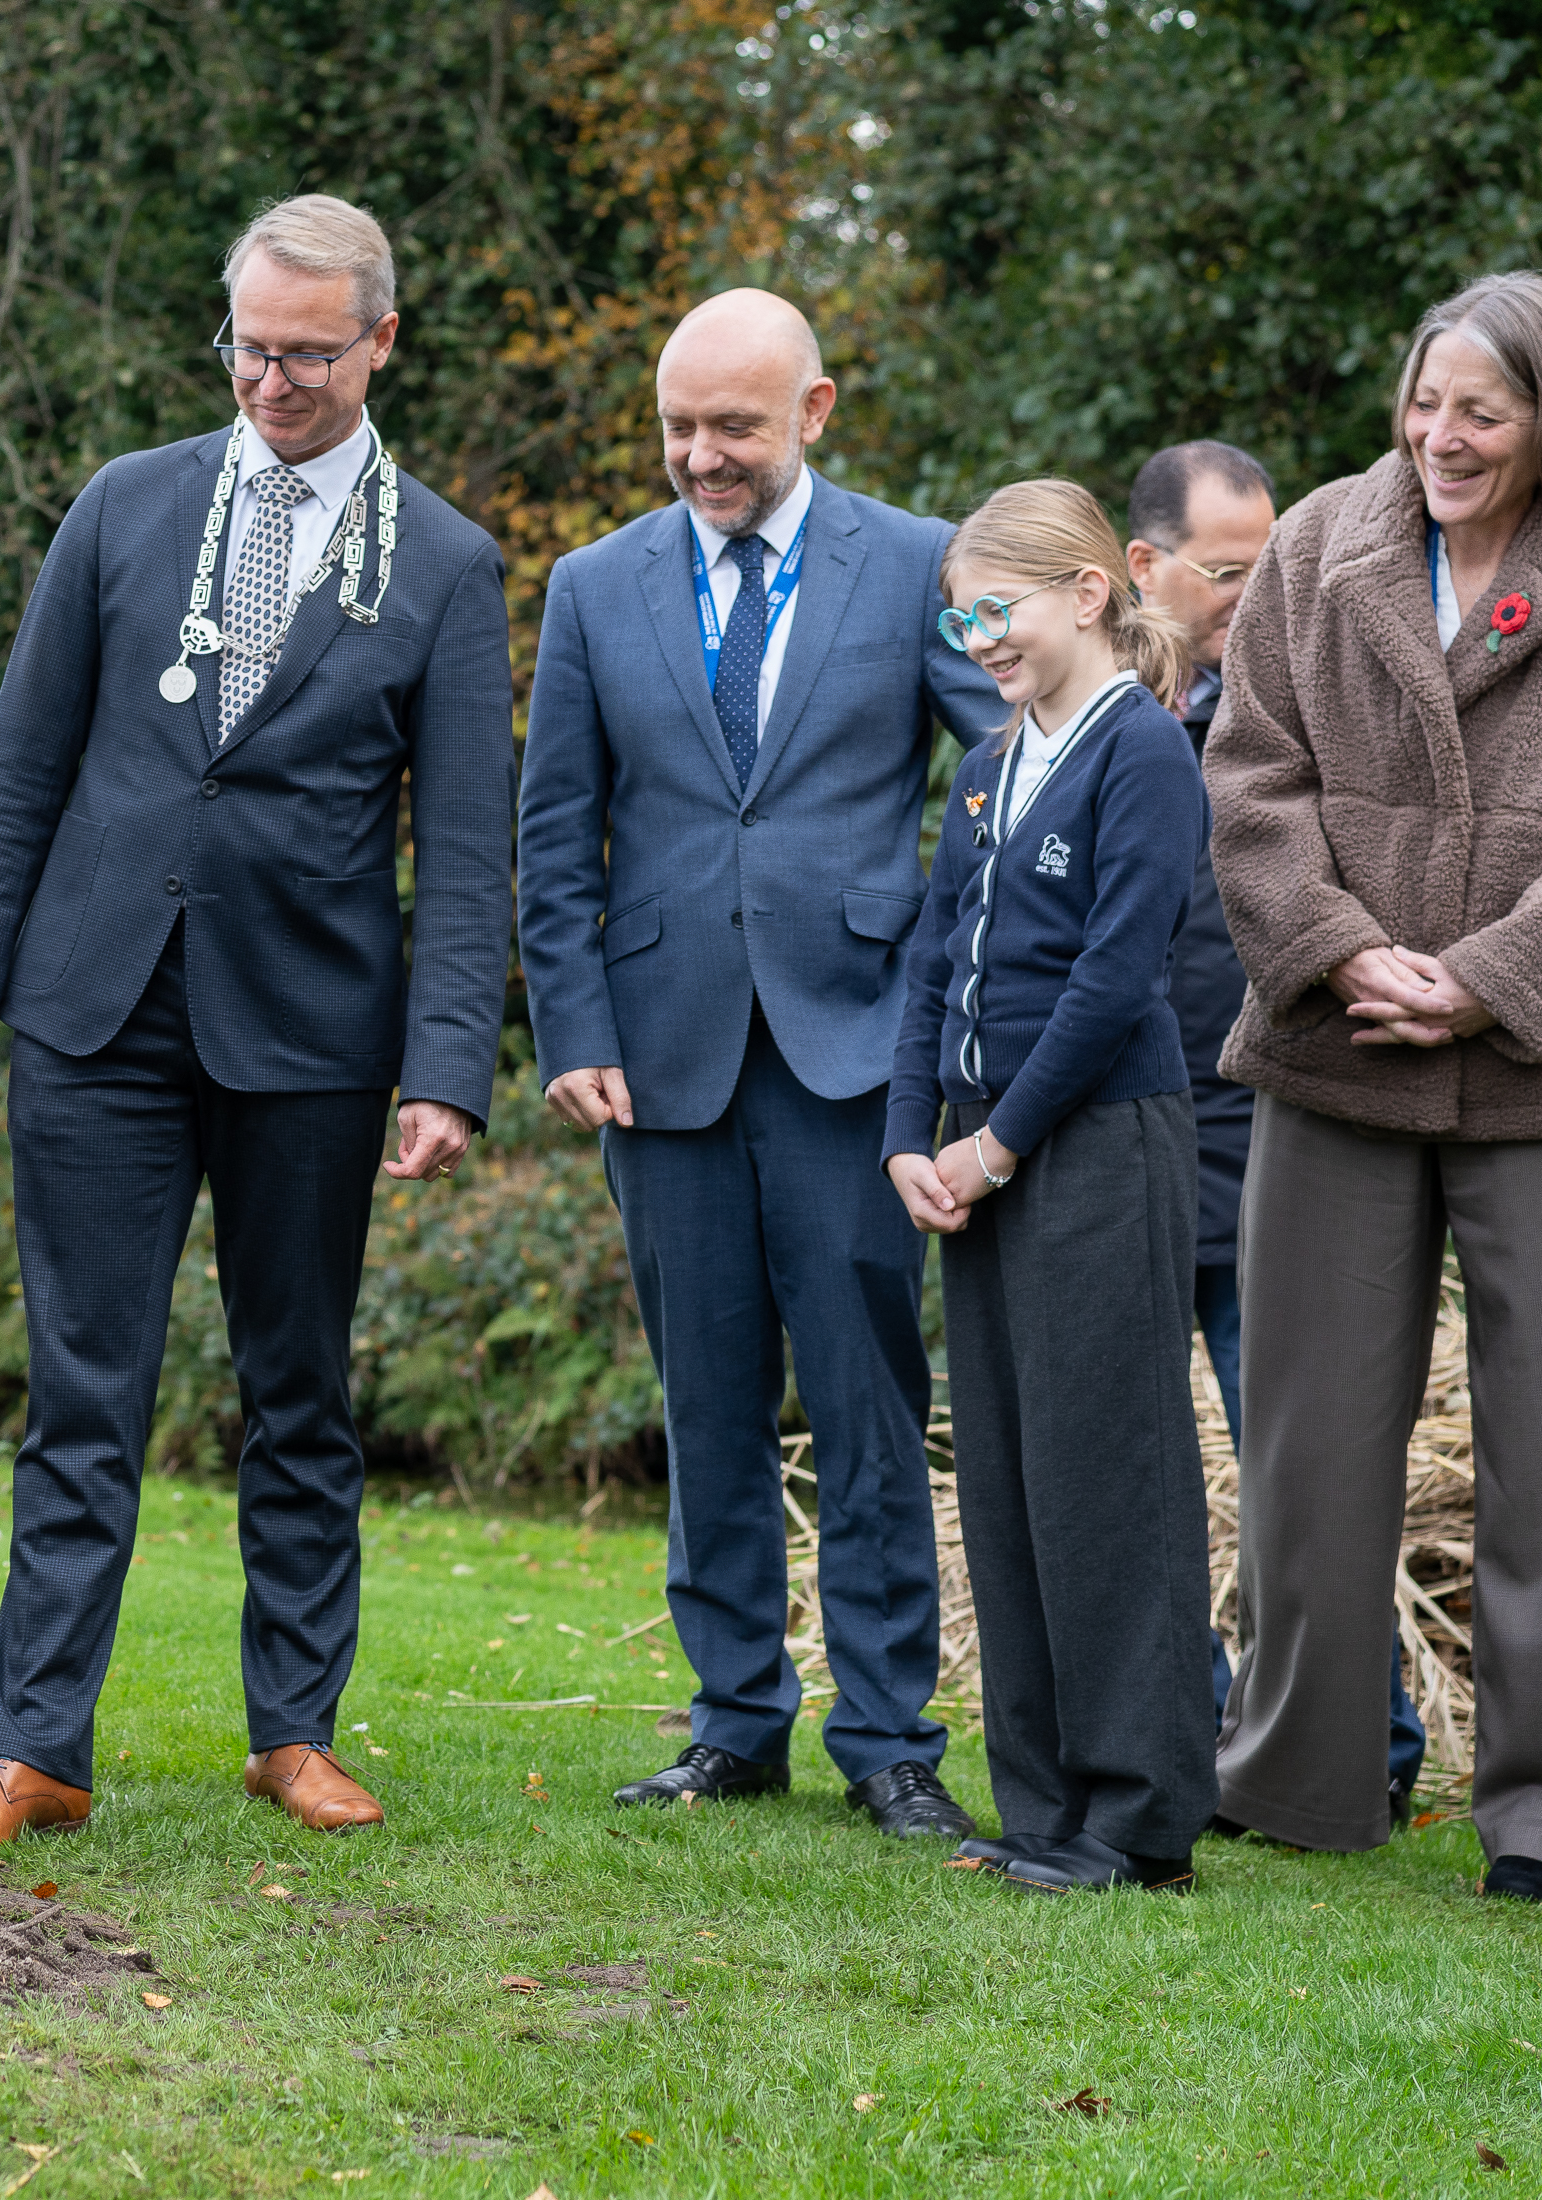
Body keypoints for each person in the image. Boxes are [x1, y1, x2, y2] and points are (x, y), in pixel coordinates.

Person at [0, 195, 515, 1858]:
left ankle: (294, 1732)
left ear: (381, 340)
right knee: (82, 1391)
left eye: (309, 352)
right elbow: (22, 765)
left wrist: (446, 1064)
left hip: (313, 1033)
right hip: (97, 1009)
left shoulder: (448, 566)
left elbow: (465, 848)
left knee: (297, 1388)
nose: (273, 379)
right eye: (251, 345)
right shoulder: (122, 508)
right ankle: (35, 1750)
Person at [514, 289, 1003, 1839]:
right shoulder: (595, 588)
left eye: (734, 425)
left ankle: (888, 1736)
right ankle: (735, 1722)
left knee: (866, 1398)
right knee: (707, 1402)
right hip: (656, 1066)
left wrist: (947, 1014)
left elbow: (1001, 782)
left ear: (817, 410)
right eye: (679, 427)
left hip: (859, 1052)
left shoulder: (922, 562)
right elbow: (553, 833)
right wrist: (572, 1028)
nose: (702, 455)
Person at [1205, 269, 1542, 1907]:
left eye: (1483, 411)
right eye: (1425, 401)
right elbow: (1249, 776)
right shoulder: (1316, 546)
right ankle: (1298, 1782)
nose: (1441, 437)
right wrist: (1340, 948)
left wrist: (1495, 978)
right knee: (1307, 1442)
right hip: (1334, 1051)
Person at [885, 480, 1212, 1893]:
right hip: (973, 1156)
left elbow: (1114, 978)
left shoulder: (1143, 753)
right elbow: (929, 959)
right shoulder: (985, 763)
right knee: (1011, 1477)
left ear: (1087, 592)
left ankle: (1135, 1820)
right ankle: (1038, 1807)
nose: (976, 639)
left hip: (1092, 1149)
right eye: (959, 617)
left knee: (1106, 1475)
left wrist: (995, 1142)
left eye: (995, 609)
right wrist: (914, 1134)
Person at [1123, 440, 1428, 1822]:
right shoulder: (1086, 719)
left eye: (1271, 568)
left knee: (1309, 1478)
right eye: (1233, 574)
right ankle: (1186, 1733)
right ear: (1146, 570)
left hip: (1276, 1151)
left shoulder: (1319, 705)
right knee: (1134, 1474)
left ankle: (1370, 1747)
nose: (1261, 597)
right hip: (1121, 1154)